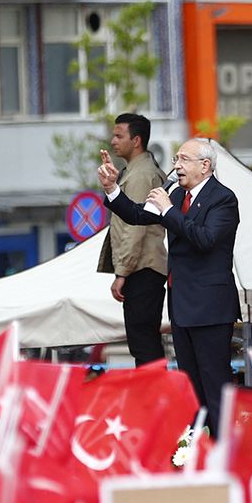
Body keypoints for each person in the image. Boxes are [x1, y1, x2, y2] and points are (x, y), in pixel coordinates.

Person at [98, 137, 240, 437]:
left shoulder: (223, 199)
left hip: (211, 308)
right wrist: (112, 188)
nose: (176, 166)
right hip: (181, 305)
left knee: (215, 382)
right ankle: (196, 445)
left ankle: (224, 448)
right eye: (176, 158)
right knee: (190, 384)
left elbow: (205, 239)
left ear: (205, 165)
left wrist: (168, 210)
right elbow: (137, 215)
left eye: (183, 159)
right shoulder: (174, 195)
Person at [96, 113, 168, 366]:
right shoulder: (134, 171)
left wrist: (122, 273)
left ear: (136, 140)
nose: (113, 141)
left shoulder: (140, 175)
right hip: (143, 268)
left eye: (119, 135)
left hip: (143, 269)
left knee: (144, 346)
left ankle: (154, 401)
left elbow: (134, 228)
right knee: (144, 343)